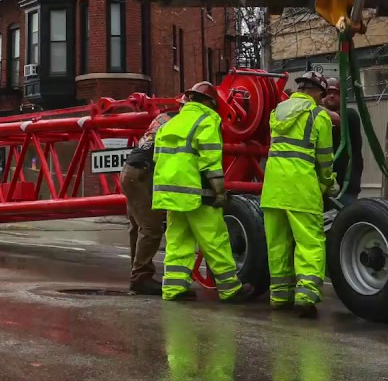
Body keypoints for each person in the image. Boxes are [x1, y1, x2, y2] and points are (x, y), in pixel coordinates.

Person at [152, 82, 252, 303]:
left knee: (178, 240)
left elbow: (157, 158)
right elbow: (211, 161)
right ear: (209, 102)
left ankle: (173, 288)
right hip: (197, 191)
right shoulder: (206, 120)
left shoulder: (170, 123)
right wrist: (219, 192)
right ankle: (230, 289)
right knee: (215, 239)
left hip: (170, 193)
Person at [261, 71, 336, 318]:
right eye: (322, 95)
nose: (322, 100)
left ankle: (280, 295)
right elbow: (324, 158)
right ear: (316, 91)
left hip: (273, 188)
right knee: (310, 243)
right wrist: (328, 184)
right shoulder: (318, 116)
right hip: (301, 188)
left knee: (278, 244)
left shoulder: (277, 112)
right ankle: (305, 296)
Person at [121, 106, 175, 295]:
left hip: (131, 170)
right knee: (151, 228)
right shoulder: (181, 122)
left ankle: (137, 273)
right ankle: (140, 277)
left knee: (137, 226)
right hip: (142, 172)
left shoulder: (163, 118)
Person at [323, 78, 363, 202]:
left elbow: (336, 119)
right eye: (328, 93)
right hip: (326, 185)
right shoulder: (319, 120)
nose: (331, 96)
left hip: (347, 185)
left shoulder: (350, 115)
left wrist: (309, 105)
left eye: (336, 93)